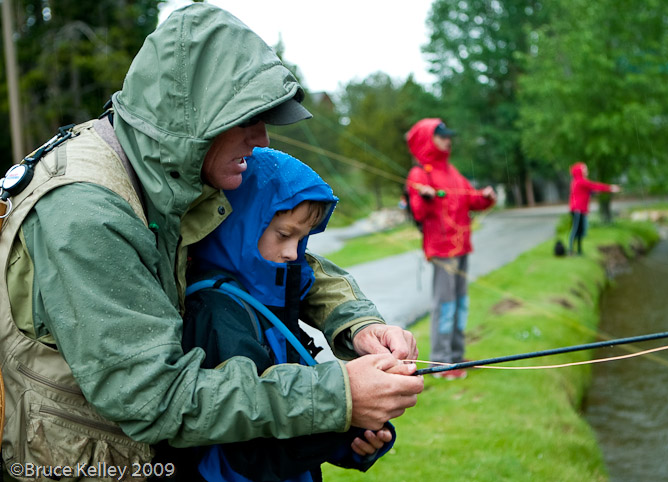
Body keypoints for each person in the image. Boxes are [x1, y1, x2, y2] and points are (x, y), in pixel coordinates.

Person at [0, 5, 423, 481]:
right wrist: (337, 396)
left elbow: (269, 261)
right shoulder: (85, 211)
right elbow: (152, 396)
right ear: (192, 114)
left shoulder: (171, 174)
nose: (262, 139)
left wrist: (356, 323)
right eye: (248, 119)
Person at [181, 147, 397, 482]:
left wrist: (355, 438)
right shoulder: (216, 310)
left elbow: (294, 413)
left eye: (302, 238)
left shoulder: (273, 291)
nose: (293, 252)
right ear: (241, 225)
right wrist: (344, 415)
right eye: (284, 235)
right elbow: (252, 444)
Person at [405, 118, 496, 381]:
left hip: (462, 247)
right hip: (441, 251)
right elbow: (418, 212)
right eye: (442, 136)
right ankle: (441, 362)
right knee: (444, 305)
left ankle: (456, 355)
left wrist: (486, 197)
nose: (448, 140)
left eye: (448, 136)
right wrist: (425, 197)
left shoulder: (452, 171)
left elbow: (471, 199)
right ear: (427, 139)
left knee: (460, 304)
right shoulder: (419, 174)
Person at [568, 162, 621, 255]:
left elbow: (589, 191)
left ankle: (579, 251)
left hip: (581, 210)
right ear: (579, 171)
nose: (587, 171)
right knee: (576, 230)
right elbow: (594, 186)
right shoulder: (580, 181)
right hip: (577, 210)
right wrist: (610, 188)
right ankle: (570, 250)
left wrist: (597, 191)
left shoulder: (578, 181)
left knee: (581, 231)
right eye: (585, 169)